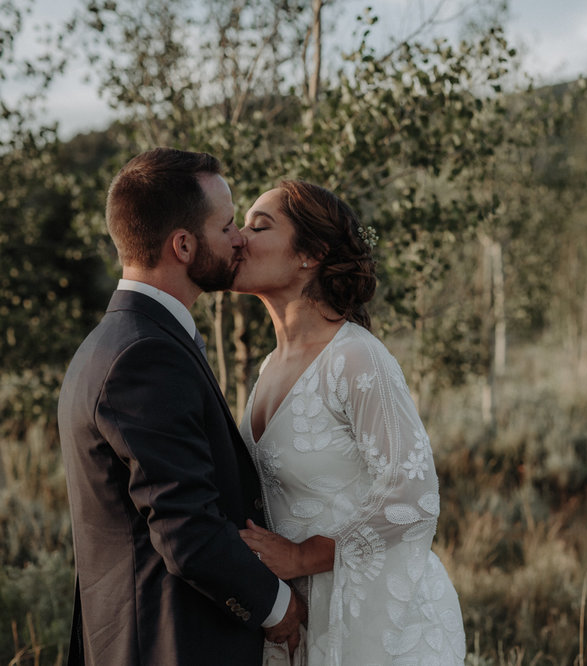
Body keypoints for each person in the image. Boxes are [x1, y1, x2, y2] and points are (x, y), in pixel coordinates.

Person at [57, 147, 307, 665]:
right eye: (228, 226)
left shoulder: (119, 340)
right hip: (168, 644)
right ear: (184, 245)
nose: (239, 239)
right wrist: (276, 606)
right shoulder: (144, 355)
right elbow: (184, 528)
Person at [231, 180, 466, 665]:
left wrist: (299, 558)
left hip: (386, 624)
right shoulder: (269, 368)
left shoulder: (356, 356)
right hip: (304, 618)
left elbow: (413, 496)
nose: (239, 236)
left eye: (260, 226)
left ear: (309, 255)